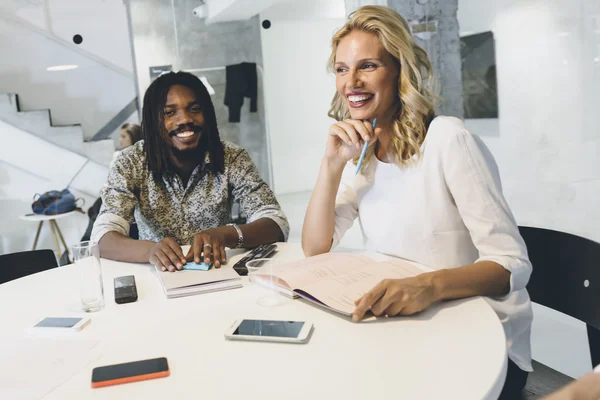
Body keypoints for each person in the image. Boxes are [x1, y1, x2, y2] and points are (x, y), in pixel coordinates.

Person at [301, 6, 532, 399]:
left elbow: (512, 265)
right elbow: (315, 246)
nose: (350, 83)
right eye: (341, 69)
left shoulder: (448, 140)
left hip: (484, 341)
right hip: (411, 327)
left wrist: (427, 286)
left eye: (367, 66)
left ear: (398, 71)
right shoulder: (363, 154)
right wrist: (331, 163)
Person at [92, 71, 289, 271]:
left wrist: (225, 234)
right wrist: (149, 251)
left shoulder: (231, 157)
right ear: (153, 120)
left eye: (195, 109)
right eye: (169, 112)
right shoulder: (130, 162)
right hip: (157, 275)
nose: (185, 119)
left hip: (217, 272)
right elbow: (102, 236)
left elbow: (275, 222)